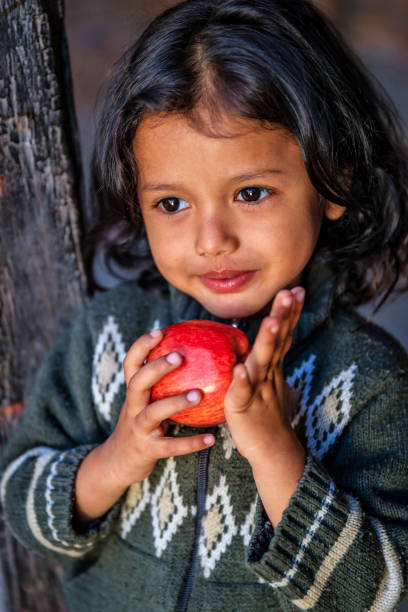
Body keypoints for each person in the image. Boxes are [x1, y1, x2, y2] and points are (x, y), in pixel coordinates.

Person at [1, 0, 408, 610]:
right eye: (172, 203)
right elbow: (19, 499)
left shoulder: (366, 382)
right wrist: (117, 459)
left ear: (335, 182)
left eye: (250, 192)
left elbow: (378, 594)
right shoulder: (110, 337)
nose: (211, 240)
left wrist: (276, 449)